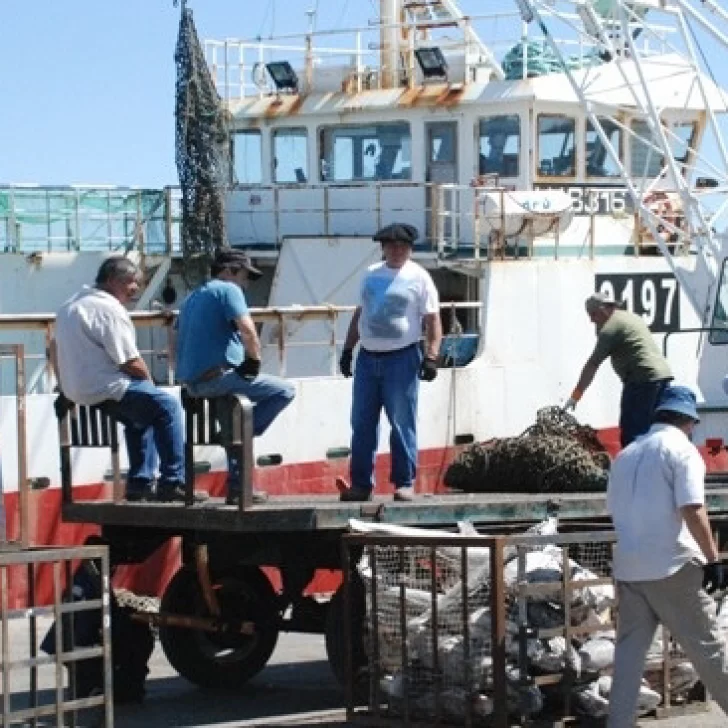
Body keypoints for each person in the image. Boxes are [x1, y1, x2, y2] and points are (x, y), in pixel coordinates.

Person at [606, 385, 728, 727]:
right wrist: (714, 559)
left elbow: (614, 509)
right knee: (709, 650)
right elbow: (692, 507)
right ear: (689, 421)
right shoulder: (682, 451)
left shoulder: (626, 455)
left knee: (629, 656)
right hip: (673, 566)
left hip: (630, 569)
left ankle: (618, 723)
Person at [53, 256, 187, 502]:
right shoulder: (108, 309)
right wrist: (149, 384)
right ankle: (173, 481)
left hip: (76, 390)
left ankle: (140, 484)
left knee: (142, 415)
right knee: (167, 406)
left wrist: (64, 388)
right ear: (114, 280)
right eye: (132, 282)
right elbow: (129, 360)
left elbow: (53, 349)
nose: (135, 289)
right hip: (105, 386)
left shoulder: (69, 305)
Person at [175, 248, 295, 505]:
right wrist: (253, 361)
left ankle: (238, 487)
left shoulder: (191, 297)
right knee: (283, 391)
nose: (246, 283)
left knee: (234, 418)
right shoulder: (228, 290)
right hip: (219, 377)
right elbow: (247, 328)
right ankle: (242, 433)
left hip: (195, 383)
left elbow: (175, 341)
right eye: (245, 276)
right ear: (230, 270)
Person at [337, 223, 442, 503]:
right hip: (368, 359)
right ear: (383, 248)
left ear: (410, 249)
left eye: (402, 246)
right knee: (362, 423)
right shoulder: (370, 275)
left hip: (402, 358)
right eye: (391, 246)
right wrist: (348, 350)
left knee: (401, 422)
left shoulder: (419, 278)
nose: (397, 251)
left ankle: (404, 482)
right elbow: (361, 314)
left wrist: (431, 356)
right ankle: (361, 484)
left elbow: (432, 319)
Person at [565, 291, 672, 447]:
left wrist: (576, 395)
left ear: (603, 309)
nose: (591, 320)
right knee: (656, 428)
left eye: (593, 314)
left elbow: (593, 364)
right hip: (662, 376)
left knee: (632, 432)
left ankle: (633, 468)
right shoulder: (630, 317)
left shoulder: (610, 329)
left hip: (641, 381)